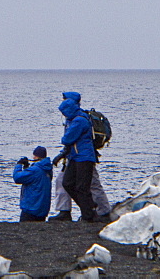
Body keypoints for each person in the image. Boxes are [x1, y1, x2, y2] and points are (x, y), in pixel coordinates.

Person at [52, 91, 102, 222]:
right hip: (75, 156)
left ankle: (89, 213)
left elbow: (67, 139)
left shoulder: (79, 121)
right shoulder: (74, 119)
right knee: (67, 183)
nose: (63, 115)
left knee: (82, 187)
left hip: (84, 157)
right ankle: (89, 209)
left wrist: (65, 139)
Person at [13, 146, 53, 222]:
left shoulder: (35, 170)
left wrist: (19, 165)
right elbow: (33, 180)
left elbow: (17, 178)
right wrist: (26, 167)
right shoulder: (48, 169)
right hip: (42, 210)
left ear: (36, 157)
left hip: (31, 208)